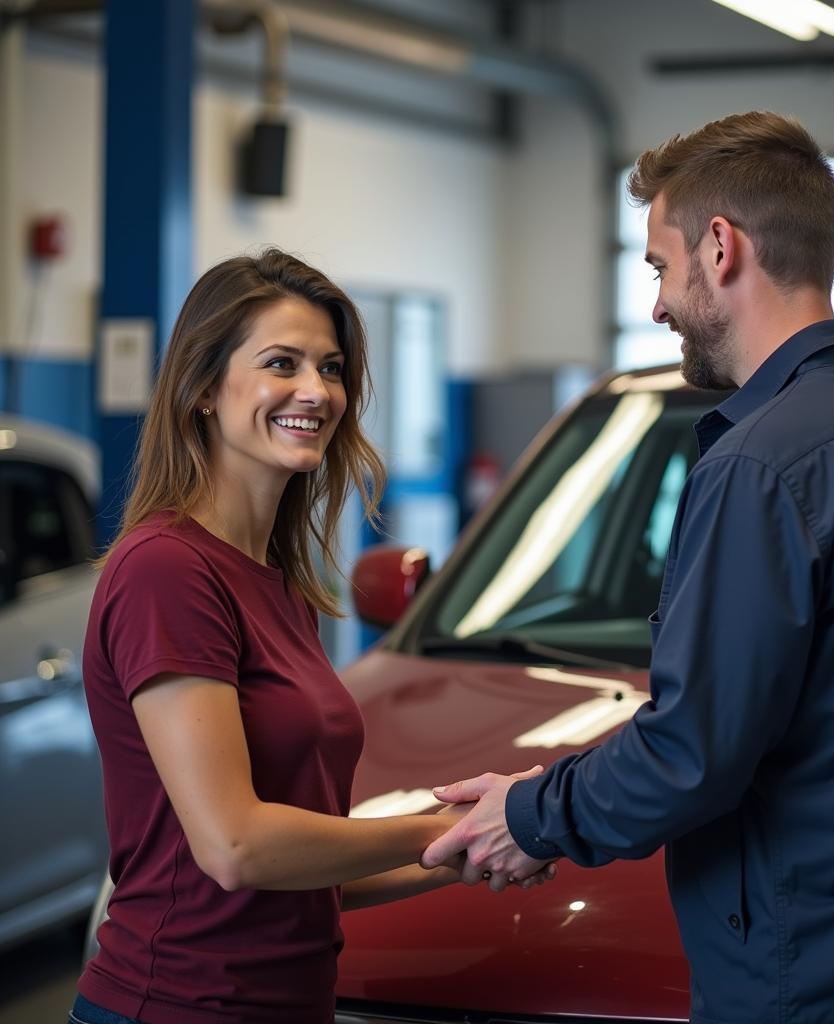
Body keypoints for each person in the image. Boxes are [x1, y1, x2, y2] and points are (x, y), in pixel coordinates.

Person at [423, 112, 834, 1024]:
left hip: (814, 979)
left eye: (659, 265)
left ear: (721, 247)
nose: (655, 305)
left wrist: (533, 814)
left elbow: (694, 751)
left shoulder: (761, 462)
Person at [74, 249, 548, 1024]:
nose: (316, 390)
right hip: (176, 1006)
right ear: (202, 389)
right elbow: (236, 847)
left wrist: (465, 854)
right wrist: (447, 824)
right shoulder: (168, 570)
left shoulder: (279, 587)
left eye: (330, 368)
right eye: (281, 363)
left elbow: (304, 877)